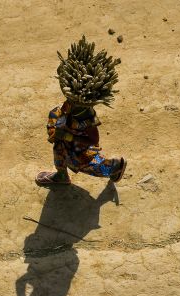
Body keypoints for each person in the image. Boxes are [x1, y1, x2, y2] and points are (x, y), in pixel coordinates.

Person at [35, 36, 127, 186]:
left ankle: (115, 166)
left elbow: (93, 141)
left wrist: (68, 136)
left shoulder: (87, 116)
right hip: (66, 142)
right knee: (58, 149)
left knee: (91, 165)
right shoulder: (71, 107)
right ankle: (61, 175)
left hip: (79, 149)